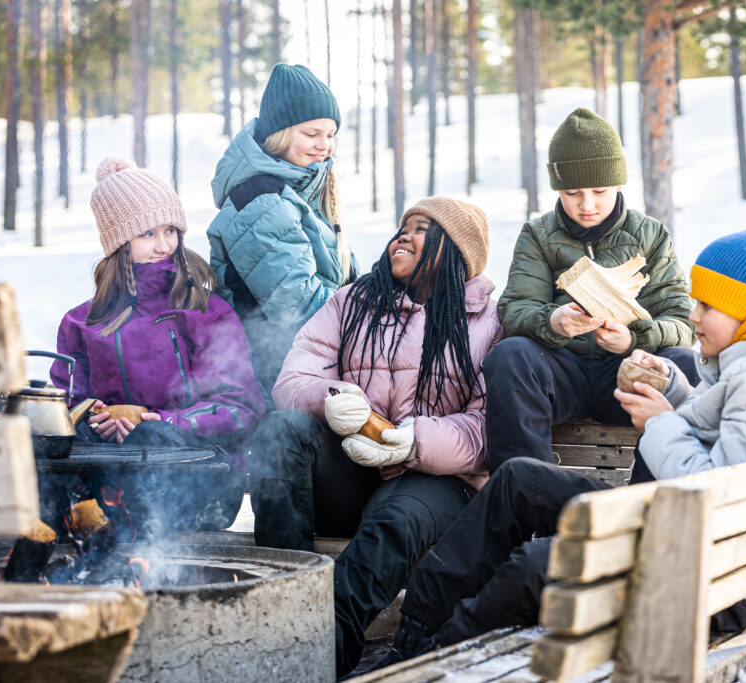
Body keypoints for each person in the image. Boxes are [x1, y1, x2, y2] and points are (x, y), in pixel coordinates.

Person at [377, 224, 746, 665]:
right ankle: (420, 628)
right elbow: (716, 433)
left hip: (714, 583)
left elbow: (721, 501)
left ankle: (434, 657)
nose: (694, 315)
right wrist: (675, 391)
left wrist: (660, 423)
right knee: (518, 481)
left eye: (708, 306)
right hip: (688, 546)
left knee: (541, 564)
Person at [248, 197, 501, 676]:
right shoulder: (353, 300)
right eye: (403, 225)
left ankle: (313, 657)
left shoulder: (487, 320)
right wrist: (331, 399)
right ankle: (280, 597)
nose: (404, 235)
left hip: (437, 481)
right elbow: (291, 381)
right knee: (280, 432)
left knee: (393, 522)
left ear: (456, 251)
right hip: (353, 469)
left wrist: (415, 441)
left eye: (423, 228)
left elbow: (487, 428)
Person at [49, 156, 265, 533]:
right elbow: (64, 406)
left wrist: (162, 421)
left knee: (151, 436)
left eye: (171, 230)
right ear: (119, 242)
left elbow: (241, 407)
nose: (164, 245)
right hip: (112, 483)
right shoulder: (82, 323)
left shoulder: (204, 310)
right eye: (147, 233)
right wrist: (96, 415)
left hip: (201, 481)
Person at [485, 107, 697, 472]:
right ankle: (527, 500)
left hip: (627, 371)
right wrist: (554, 321)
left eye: (600, 190)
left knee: (682, 364)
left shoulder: (650, 234)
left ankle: (646, 505)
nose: (587, 204)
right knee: (510, 355)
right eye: (572, 192)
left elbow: (682, 321)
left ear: (618, 183)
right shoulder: (538, 234)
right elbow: (515, 309)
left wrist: (633, 341)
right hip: (561, 371)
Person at [207, 63, 356, 396]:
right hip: (273, 376)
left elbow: (345, 279)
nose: (324, 145)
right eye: (311, 133)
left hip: (310, 364)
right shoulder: (260, 198)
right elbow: (299, 308)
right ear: (281, 133)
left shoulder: (302, 190)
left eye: (330, 135)